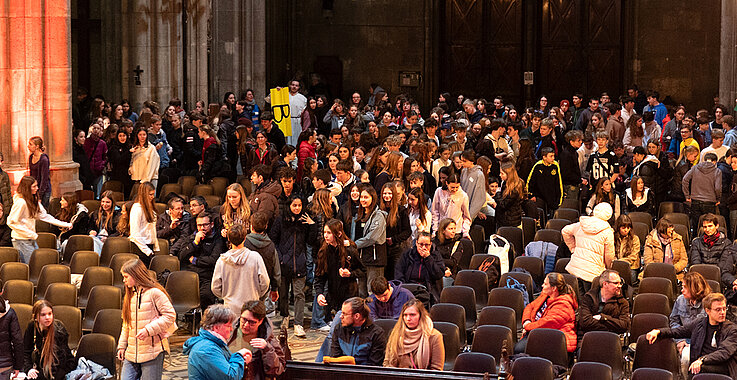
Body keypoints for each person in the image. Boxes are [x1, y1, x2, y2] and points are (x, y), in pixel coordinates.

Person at [646, 293, 737, 378]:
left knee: (697, 370)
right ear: (707, 311)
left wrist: (702, 360)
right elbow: (679, 331)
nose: (722, 312)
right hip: (700, 363)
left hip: (723, 367)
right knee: (695, 368)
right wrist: (658, 332)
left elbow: (724, 353)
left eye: (724, 309)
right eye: (718, 309)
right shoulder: (699, 323)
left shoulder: (732, 329)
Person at [117, 259, 176, 380]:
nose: (124, 280)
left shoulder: (155, 293)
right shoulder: (130, 296)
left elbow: (170, 316)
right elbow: (126, 324)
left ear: (135, 275)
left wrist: (148, 330)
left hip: (152, 351)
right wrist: (122, 346)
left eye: (126, 276)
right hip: (131, 351)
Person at [268, 194, 316, 337]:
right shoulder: (280, 220)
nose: (297, 208)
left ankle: (299, 323)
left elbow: (311, 241)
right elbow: (273, 240)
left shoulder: (305, 221)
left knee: (299, 295)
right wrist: (280, 257)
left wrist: (312, 225)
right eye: (294, 205)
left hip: (300, 263)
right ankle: (285, 316)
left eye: (299, 205)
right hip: (284, 264)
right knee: (283, 294)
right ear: (289, 205)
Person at [7, 176, 71, 263]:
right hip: (21, 239)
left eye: (36, 186)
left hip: (30, 238)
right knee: (32, 265)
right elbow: (11, 222)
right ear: (27, 188)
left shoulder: (32, 200)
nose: (37, 188)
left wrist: (65, 224)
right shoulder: (21, 202)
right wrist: (30, 233)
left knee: (36, 263)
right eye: (34, 186)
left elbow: (44, 216)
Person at [211, 223, 269, 317]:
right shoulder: (255, 257)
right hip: (251, 306)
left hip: (230, 308)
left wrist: (225, 296)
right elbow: (265, 282)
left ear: (228, 239)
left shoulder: (221, 261)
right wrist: (256, 294)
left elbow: (215, 287)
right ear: (245, 238)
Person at [314, 219, 365, 320]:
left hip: (349, 295)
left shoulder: (349, 249)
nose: (325, 236)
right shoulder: (323, 251)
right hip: (333, 296)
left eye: (329, 233)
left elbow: (362, 270)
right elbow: (320, 276)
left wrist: (350, 273)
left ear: (339, 234)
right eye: (324, 232)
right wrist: (319, 294)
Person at [516, 273, 578, 354]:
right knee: (517, 349)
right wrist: (527, 321)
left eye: (545, 284)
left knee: (518, 350)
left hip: (554, 339)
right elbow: (530, 307)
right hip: (537, 331)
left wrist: (527, 327)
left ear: (553, 288)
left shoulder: (563, 305)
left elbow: (545, 324)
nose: (542, 286)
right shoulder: (545, 294)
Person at [183, 304, 248, 380]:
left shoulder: (213, 343)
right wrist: (239, 356)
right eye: (228, 326)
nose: (231, 329)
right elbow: (230, 377)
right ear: (216, 327)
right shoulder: (206, 349)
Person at [563, 202, 615, 295]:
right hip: (593, 272)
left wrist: (573, 248)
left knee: (579, 300)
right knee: (590, 301)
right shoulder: (607, 231)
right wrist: (608, 267)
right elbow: (609, 254)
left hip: (576, 267)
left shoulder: (582, 224)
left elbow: (565, 231)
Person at [228, 300, 286, 380]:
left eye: (252, 322)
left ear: (260, 321)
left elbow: (278, 369)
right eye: (244, 319)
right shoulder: (229, 332)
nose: (246, 325)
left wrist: (267, 349)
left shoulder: (268, 339)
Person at [670, 272, 713, 377]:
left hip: (705, 342)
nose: (681, 290)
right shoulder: (680, 300)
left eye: (685, 287)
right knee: (685, 358)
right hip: (686, 340)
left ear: (694, 288)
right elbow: (674, 321)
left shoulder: (709, 302)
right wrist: (680, 340)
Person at [179, 212, 225, 310]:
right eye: (199, 225)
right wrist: (195, 243)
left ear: (211, 224)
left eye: (205, 225)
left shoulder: (218, 239)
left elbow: (213, 260)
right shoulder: (193, 237)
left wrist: (195, 260)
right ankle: (190, 322)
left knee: (206, 296)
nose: (202, 228)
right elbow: (182, 256)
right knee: (182, 294)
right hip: (191, 275)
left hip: (208, 276)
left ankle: (206, 321)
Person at [383, 299, 444, 370]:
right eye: (405, 315)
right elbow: (387, 363)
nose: (408, 319)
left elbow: (436, 370)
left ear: (421, 316)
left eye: (412, 315)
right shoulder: (395, 334)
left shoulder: (434, 336)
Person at [350, 185, 387, 297]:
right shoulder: (359, 215)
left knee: (373, 292)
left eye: (366, 197)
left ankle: (374, 314)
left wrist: (354, 244)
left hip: (375, 259)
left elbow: (372, 238)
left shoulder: (379, 216)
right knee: (361, 292)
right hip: (361, 259)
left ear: (373, 198)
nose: (363, 200)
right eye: (361, 197)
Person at [22, 300, 75, 380]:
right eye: (43, 315)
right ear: (36, 317)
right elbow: (26, 351)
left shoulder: (58, 329)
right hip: (40, 366)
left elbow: (61, 360)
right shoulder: (32, 327)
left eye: (49, 314)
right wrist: (29, 369)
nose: (47, 317)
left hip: (59, 367)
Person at [329, 297, 386, 366]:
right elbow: (335, 357)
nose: (341, 316)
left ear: (357, 316)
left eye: (344, 314)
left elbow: (374, 366)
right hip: (342, 372)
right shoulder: (339, 329)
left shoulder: (376, 334)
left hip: (364, 373)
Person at [577, 269, 630, 341]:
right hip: (588, 338)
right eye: (616, 283)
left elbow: (624, 325)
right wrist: (612, 326)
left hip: (610, 340)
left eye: (620, 283)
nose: (620, 286)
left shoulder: (623, 302)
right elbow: (585, 323)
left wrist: (603, 318)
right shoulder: (589, 298)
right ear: (605, 284)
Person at [396, 232, 446, 304]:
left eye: (426, 245)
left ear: (431, 244)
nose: (423, 247)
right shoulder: (407, 255)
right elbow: (399, 274)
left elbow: (438, 274)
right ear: (416, 243)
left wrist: (428, 258)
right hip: (409, 289)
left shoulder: (435, 255)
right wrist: (404, 289)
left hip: (427, 291)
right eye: (421, 244)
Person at [243, 213, 281, 305]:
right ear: (266, 226)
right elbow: (276, 270)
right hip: (263, 287)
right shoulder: (271, 245)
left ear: (251, 226)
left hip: (246, 285)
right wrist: (275, 288)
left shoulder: (244, 243)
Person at [684, 153, 722, 237]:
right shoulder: (717, 171)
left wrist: (687, 195)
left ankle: (695, 243)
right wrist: (718, 199)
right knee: (709, 227)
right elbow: (718, 188)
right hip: (710, 202)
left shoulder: (695, 168)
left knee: (696, 226)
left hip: (695, 201)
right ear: (715, 161)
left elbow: (685, 180)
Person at [380, 182, 411, 281]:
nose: (387, 196)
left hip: (396, 249)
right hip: (382, 249)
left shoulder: (401, 210)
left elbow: (407, 231)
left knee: (396, 276)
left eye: (389, 193)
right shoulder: (378, 209)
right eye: (385, 193)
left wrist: (393, 239)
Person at [129, 182, 159, 266]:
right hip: (141, 248)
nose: (152, 197)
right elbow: (135, 234)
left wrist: (154, 247)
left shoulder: (149, 207)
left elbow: (151, 229)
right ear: (143, 194)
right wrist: (147, 251)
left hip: (148, 246)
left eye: (153, 194)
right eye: (150, 194)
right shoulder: (137, 208)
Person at [527, 147, 563, 215]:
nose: (553, 158)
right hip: (540, 198)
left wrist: (559, 200)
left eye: (554, 156)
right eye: (551, 156)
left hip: (552, 199)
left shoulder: (555, 165)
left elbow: (559, 183)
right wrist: (531, 195)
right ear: (544, 157)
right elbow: (530, 182)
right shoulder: (537, 166)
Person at [0, 295, 23, 380]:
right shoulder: (10, 312)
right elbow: (18, 341)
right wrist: (18, 366)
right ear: (2, 291)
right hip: (5, 365)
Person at [613, 215, 640, 284]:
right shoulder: (613, 237)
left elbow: (633, 257)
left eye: (628, 227)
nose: (626, 230)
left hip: (631, 267)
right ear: (618, 227)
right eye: (623, 227)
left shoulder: (635, 239)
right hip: (616, 266)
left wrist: (619, 262)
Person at [27, 137, 51, 207]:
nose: (28, 146)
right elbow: (32, 176)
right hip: (35, 189)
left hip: (44, 191)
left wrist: (39, 196)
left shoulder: (44, 159)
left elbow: (44, 179)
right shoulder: (31, 157)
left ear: (37, 146)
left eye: (31, 144)